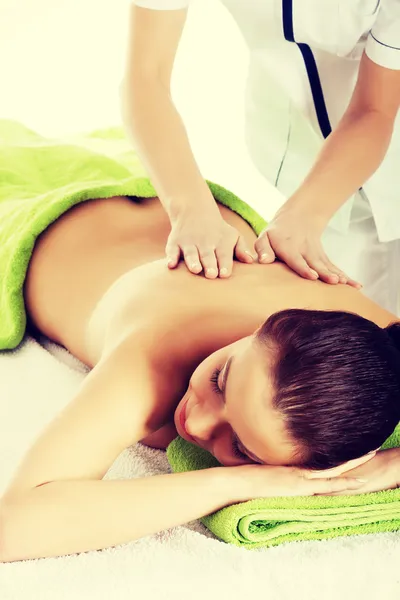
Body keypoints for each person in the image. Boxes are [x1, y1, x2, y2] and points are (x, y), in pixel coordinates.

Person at [0, 185, 399, 562]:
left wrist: (384, 466)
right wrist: (237, 482)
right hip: (45, 216)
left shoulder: (375, 345)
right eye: (220, 380)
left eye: (242, 449)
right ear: (264, 327)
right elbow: (15, 527)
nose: (195, 421)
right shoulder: (149, 362)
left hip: (179, 206)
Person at [123, 1, 400, 313]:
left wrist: (303, 217)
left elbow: (375, 109)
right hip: (297, 155)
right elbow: (147, 77)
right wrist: (191, 209)